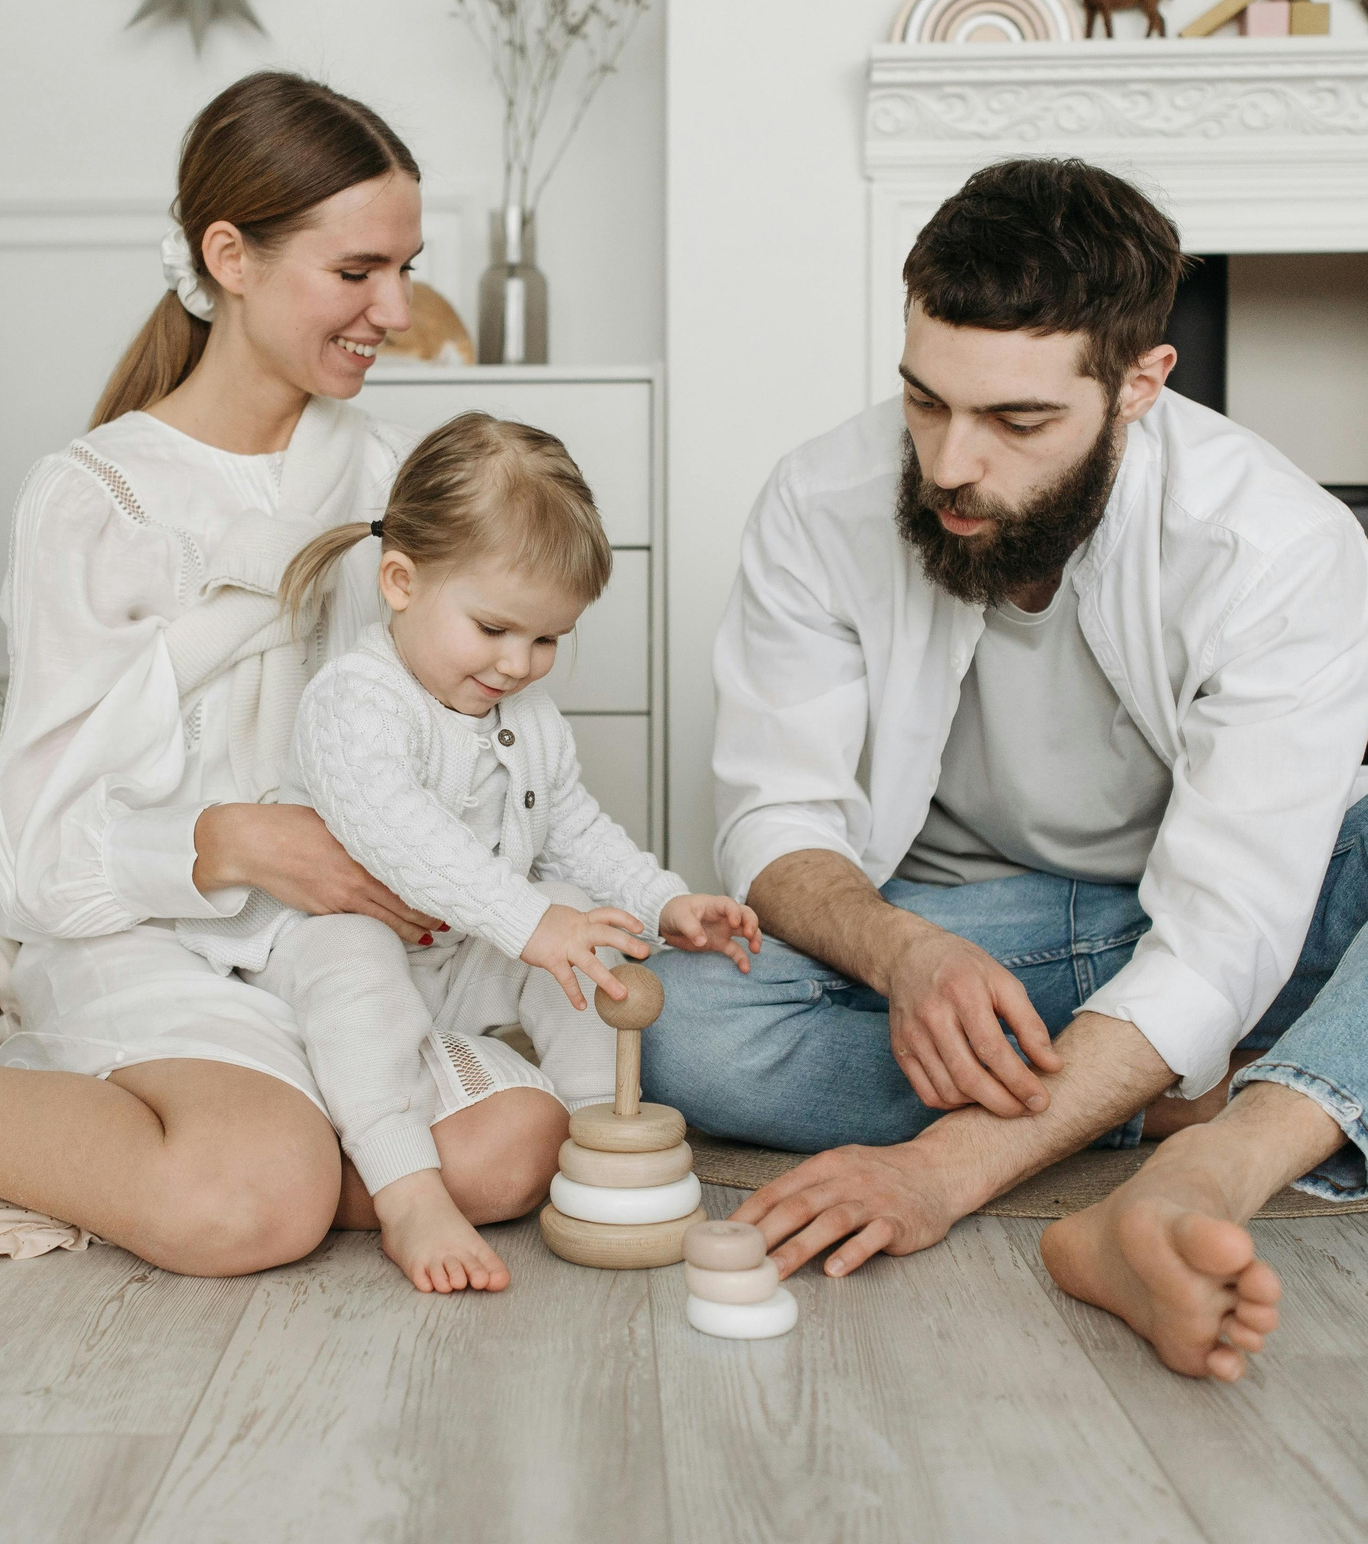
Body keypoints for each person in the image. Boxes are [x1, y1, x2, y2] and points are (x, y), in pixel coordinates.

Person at [641, 157, 1368, 1381]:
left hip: (1260, 914)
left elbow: (1226, 929)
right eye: (926, 401)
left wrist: (940, 1170)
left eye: (1017, 421)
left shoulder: (1280, 545)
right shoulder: (820, 499)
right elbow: (776, 816)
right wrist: (902, 951)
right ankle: (1224, 1095)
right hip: (979, 929)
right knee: (677, 1019)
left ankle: (1201, 1172)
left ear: (1141, 384)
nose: (949, 463)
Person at [0, 70, 543, 1275]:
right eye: (358, 273)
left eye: (403, 268)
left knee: (511, 1143)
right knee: (257, 1202)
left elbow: (442, 717)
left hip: (330, 935)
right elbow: (37, 859)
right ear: (230, 256)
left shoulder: (385, 472)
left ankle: (286, 1122)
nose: (395, 309)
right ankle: (237, 1136)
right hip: (144, 932)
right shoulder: (95, 498)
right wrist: (235, 841)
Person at [177, 411, 759, 1292]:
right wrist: (533, 921)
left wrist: (664, 900)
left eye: (547, 638)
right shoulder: (356, 702)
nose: (520, 663)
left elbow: (575, 824)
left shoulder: (525, 714)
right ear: (402, 582)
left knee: (591, 951)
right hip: (341, 938)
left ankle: (599, 1129)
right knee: (355, 966)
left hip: (458, 950)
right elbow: (405, 838)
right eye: (494, 629)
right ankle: (405, 1186)